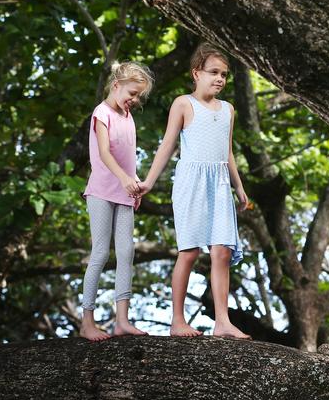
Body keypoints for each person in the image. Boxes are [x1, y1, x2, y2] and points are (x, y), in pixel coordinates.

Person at [138, 43, 251, 339]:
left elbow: (227, 152)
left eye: (224, 74)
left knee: (222, 251)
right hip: (192, 182)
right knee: (189, 252)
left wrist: (238, 186)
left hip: (220, 184)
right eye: (214, 72)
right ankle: (177, 320)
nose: (220, 79)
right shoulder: (183, 104)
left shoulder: (228, 110)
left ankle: (222, 322)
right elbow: (167, 146)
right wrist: (148, 182)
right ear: (196, 73)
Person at [79, 61, 154, 342]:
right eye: (132, 93)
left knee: (126, 253)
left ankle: (122, 320)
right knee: (100, 252)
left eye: (138, 97)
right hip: (101, 190)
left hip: (124, 193)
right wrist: (124, 178)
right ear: (116, 85)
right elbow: (104, 152)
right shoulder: (102, 113)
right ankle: (88, 321)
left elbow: (129, 156)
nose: (134, 100)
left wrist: (133, 184)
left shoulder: (127, 116)